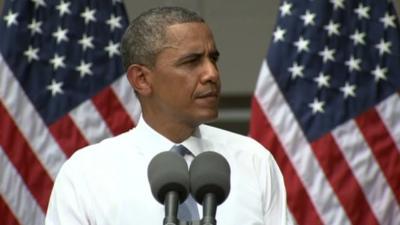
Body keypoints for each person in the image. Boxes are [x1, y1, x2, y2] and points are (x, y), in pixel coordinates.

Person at [45, 6, 294, 225]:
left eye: (213, 59)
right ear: (141, 79)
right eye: (192, 61)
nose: (212, 74)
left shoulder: (254, 161)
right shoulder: (87, 174)